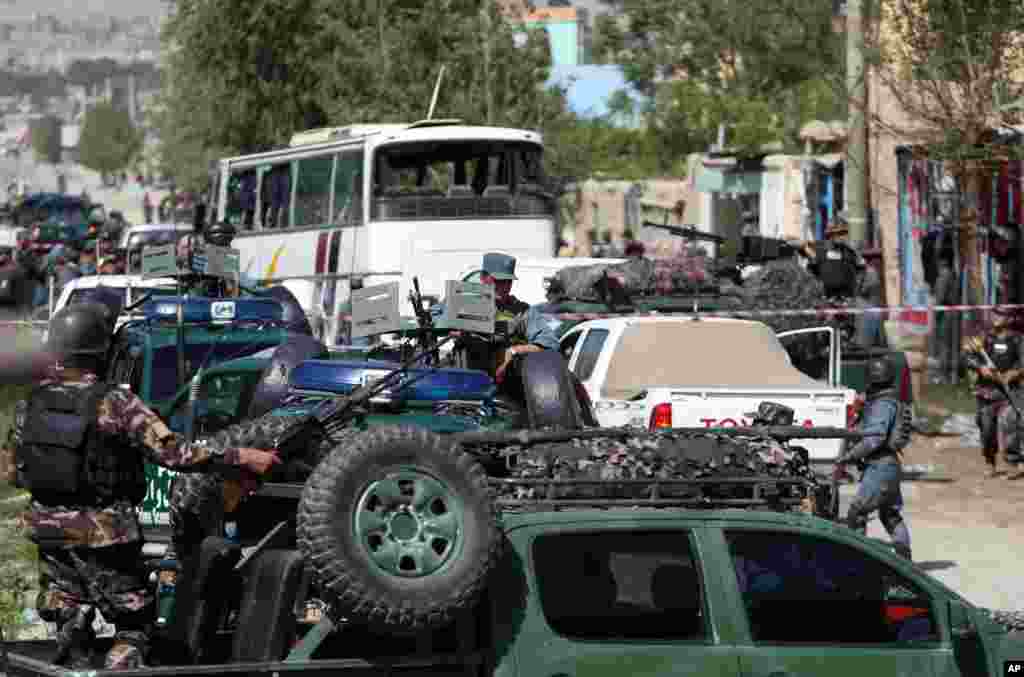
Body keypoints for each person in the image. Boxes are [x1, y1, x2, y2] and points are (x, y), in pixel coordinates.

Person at [0, 303, 279, 670]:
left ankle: (74, 651)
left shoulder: (31, 404)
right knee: (133, 621)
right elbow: (176, 454)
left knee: (66, 603)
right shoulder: (113, 402)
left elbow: (13, 470)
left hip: (47, 529)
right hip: (104, 532)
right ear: (105, 350)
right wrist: (241, 457)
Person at [433, 252, 560, 381]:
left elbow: (550, 342)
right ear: (483, 277)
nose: (504, 287)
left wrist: (514, 350)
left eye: (508, 281)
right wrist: (450, 325)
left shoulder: (521, 311)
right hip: (463, 381)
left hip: (502, 385)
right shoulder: (463, 300)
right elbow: (430, 318)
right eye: (498, 281)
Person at [835, 356, 912, 559]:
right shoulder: (888, 401)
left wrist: (849, 457)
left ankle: (857, 560)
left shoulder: (882, 405)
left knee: (856, 512)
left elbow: (874, 439)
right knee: (889, 515)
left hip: (880, 465)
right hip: (890, 465)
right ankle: (906, 561)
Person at [963, 307, 1024, 478]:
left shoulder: (1017, 340)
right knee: (987, 427)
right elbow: (968, 357)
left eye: (1001, 315)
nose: (996, 317)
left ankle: (1014, 461)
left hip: (1010, 392)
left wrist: (1013, 373)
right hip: (987, 391)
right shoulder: (984, 339)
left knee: (1011, 424)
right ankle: (990, 461)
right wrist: (981, 368)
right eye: (994, 314)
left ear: (1009, 319)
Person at [793, 214, 864, 299]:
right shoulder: (818, 249)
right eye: (838, 233)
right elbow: (799, 246)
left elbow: (861, 270)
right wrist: (801, 245)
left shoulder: (851, 252)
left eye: (844, 233)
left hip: (847, 300)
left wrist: (857, 292)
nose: (842, 236)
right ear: (830, 234)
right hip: (823, 300)